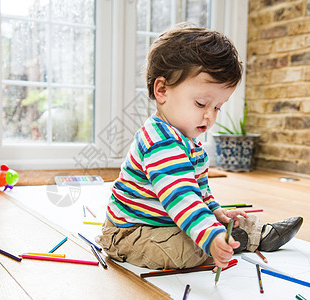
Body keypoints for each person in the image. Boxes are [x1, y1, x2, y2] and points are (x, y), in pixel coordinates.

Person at [96, 24, 303, 270]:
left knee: (222, 222)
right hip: (131, 233)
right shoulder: (159, 141)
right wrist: (209, 234)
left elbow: (199, 192)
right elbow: (181, 197)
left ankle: (250, 233)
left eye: (217, 107)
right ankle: (232, 240)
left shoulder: (190, 142)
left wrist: (216, 212)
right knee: (187, 249)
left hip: (167, 221)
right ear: (162, 90)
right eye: (201, 103)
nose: (210, 116)